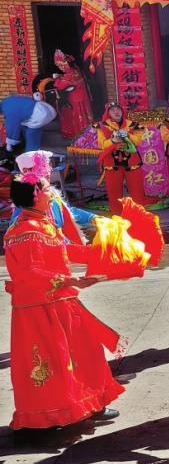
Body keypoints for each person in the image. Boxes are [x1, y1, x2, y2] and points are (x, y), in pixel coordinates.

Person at [5, 177, 123, 429]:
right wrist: (70, 280)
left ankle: (90, 403)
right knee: (53, 362)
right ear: (35, 196)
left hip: (61, 302)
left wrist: (107, 252)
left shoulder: (42, 223)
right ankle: (50, 415)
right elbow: (30, 272)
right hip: (40, 309)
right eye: (47, 189)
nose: (52, 193)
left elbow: (65, 250)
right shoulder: (26, 231)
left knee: (86, 352)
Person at [11, 150, 95, 245]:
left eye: (49, 165)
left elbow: (67, 212)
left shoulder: (52, 194)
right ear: (27, 172)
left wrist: (93, 218)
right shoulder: (23, 211)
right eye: (43, 167)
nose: (49, 170)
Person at [95, 102, 153, 215]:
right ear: (108, 113)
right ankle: (117, 214)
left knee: (137, 189)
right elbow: (102, 144)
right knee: (114, 190)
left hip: (132, 160)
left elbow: (138, 141)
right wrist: (113, 140)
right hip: (112, 162)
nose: (116, 112)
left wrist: (128, 135)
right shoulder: (102, 126)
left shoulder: (132, 124)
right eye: (112, 110)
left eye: (118, 109)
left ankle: (138, 214)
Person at [2, 78, 58, 153]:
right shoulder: (7, 101)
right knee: (25, 127)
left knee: (31, 134)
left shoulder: (10, 113)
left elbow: (12, 129)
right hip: (44, 107)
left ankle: (31, 153)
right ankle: (33, 147)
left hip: (40, 114)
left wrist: (9, 146)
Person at [51, 50, 93, 140]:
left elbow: (60, 85)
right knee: (84, 114)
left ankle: (78, 135)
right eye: (59, 65)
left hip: (75, 98)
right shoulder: (76, 69)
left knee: (76, 115)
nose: (60, 67)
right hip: (81, 96)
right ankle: (87, 133)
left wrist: (56, 78)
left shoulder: (70, 73)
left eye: (61, 65)